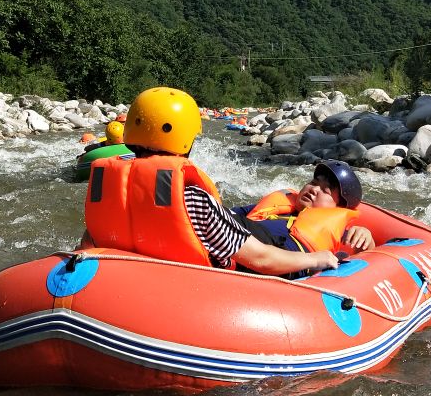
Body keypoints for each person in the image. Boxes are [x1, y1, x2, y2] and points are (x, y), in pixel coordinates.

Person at [81, 87, 338, 276]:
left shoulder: (107, 185)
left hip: (122, 278)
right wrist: (316, 259)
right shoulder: (192, 198)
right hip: (185, 290)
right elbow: (260, 259)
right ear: (184, 139)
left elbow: (89, 242)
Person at [234, 160, 375, 254]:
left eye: (326, 191)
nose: (314, 189)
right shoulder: (274, 207)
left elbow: (363, 258)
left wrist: (366, 239)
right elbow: (226, 212)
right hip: (228, 239)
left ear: (338, 208)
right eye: (314, 182)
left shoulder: (334, 232)